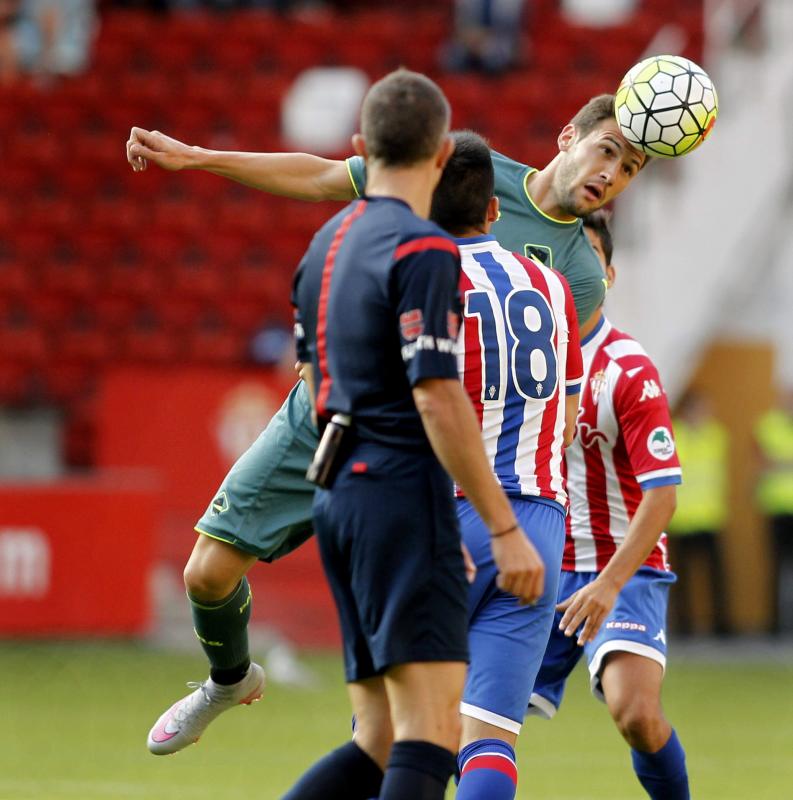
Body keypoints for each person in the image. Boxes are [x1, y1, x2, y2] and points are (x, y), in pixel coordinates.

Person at [129, 92, 646, 756]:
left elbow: (523, 388)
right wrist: (199, 158)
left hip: (417, 445)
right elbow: (324, 177)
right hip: (332, 410)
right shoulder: (469, 168)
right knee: (206, 575)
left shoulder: (577, 274)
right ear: (568, 135)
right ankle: (228, 680)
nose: (610, 174)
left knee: (398, 716)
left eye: (629, 168)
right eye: (606, 150)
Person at [287, 69, 542, 800]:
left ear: (362, 147)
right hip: (398, 490)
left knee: (377, 737)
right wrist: (501, 528)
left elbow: (309, 380)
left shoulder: (327, 241)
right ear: (439, 155)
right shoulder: (424, 250)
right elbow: (435, 393)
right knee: (432, 733)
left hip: (338, 495)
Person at [430, 130, 581, 800]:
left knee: (395, 730)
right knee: (490, 736)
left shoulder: (421, 278)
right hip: (540, 525)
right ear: (495, 210)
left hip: (451, 511)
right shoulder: (551, 285)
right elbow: (569, 417)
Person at [527, 210, 690, 800]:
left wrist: (607, 584)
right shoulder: (524, 359)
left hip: (621, 569)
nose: (573, 266)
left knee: (636, 713)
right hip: (537, 565)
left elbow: (664, 494)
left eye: (587, 255)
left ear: (609, 275)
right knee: (455, 719)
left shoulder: (628, 369)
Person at [667, 389, 729, 635]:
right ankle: (684, 626)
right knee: (680, 580)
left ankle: (721, 625)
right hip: (681, 518)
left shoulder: (716, 435)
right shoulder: (673, 434)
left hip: (710, 516)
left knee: (716, 577)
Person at [754, 390, 793, 633]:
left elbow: (772, 462)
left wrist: (780, 462)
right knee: (777, 568)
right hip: (777, 508)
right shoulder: (767, 425)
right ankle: (776, 624)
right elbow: (761, 463)